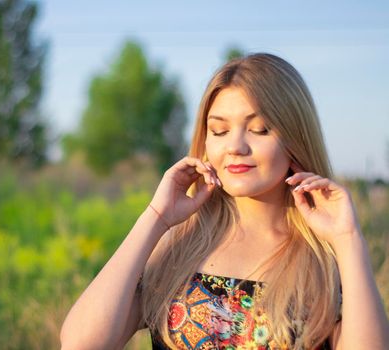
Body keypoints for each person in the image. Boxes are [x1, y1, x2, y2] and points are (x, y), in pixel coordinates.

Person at [60, 53, 389, 349]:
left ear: (295, 137)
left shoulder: (324, 257)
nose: (236, 146)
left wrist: (348, 240)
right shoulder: (181, 244)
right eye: (218, 131)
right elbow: (81, 343)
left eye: (259, 129)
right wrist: (157, 216)